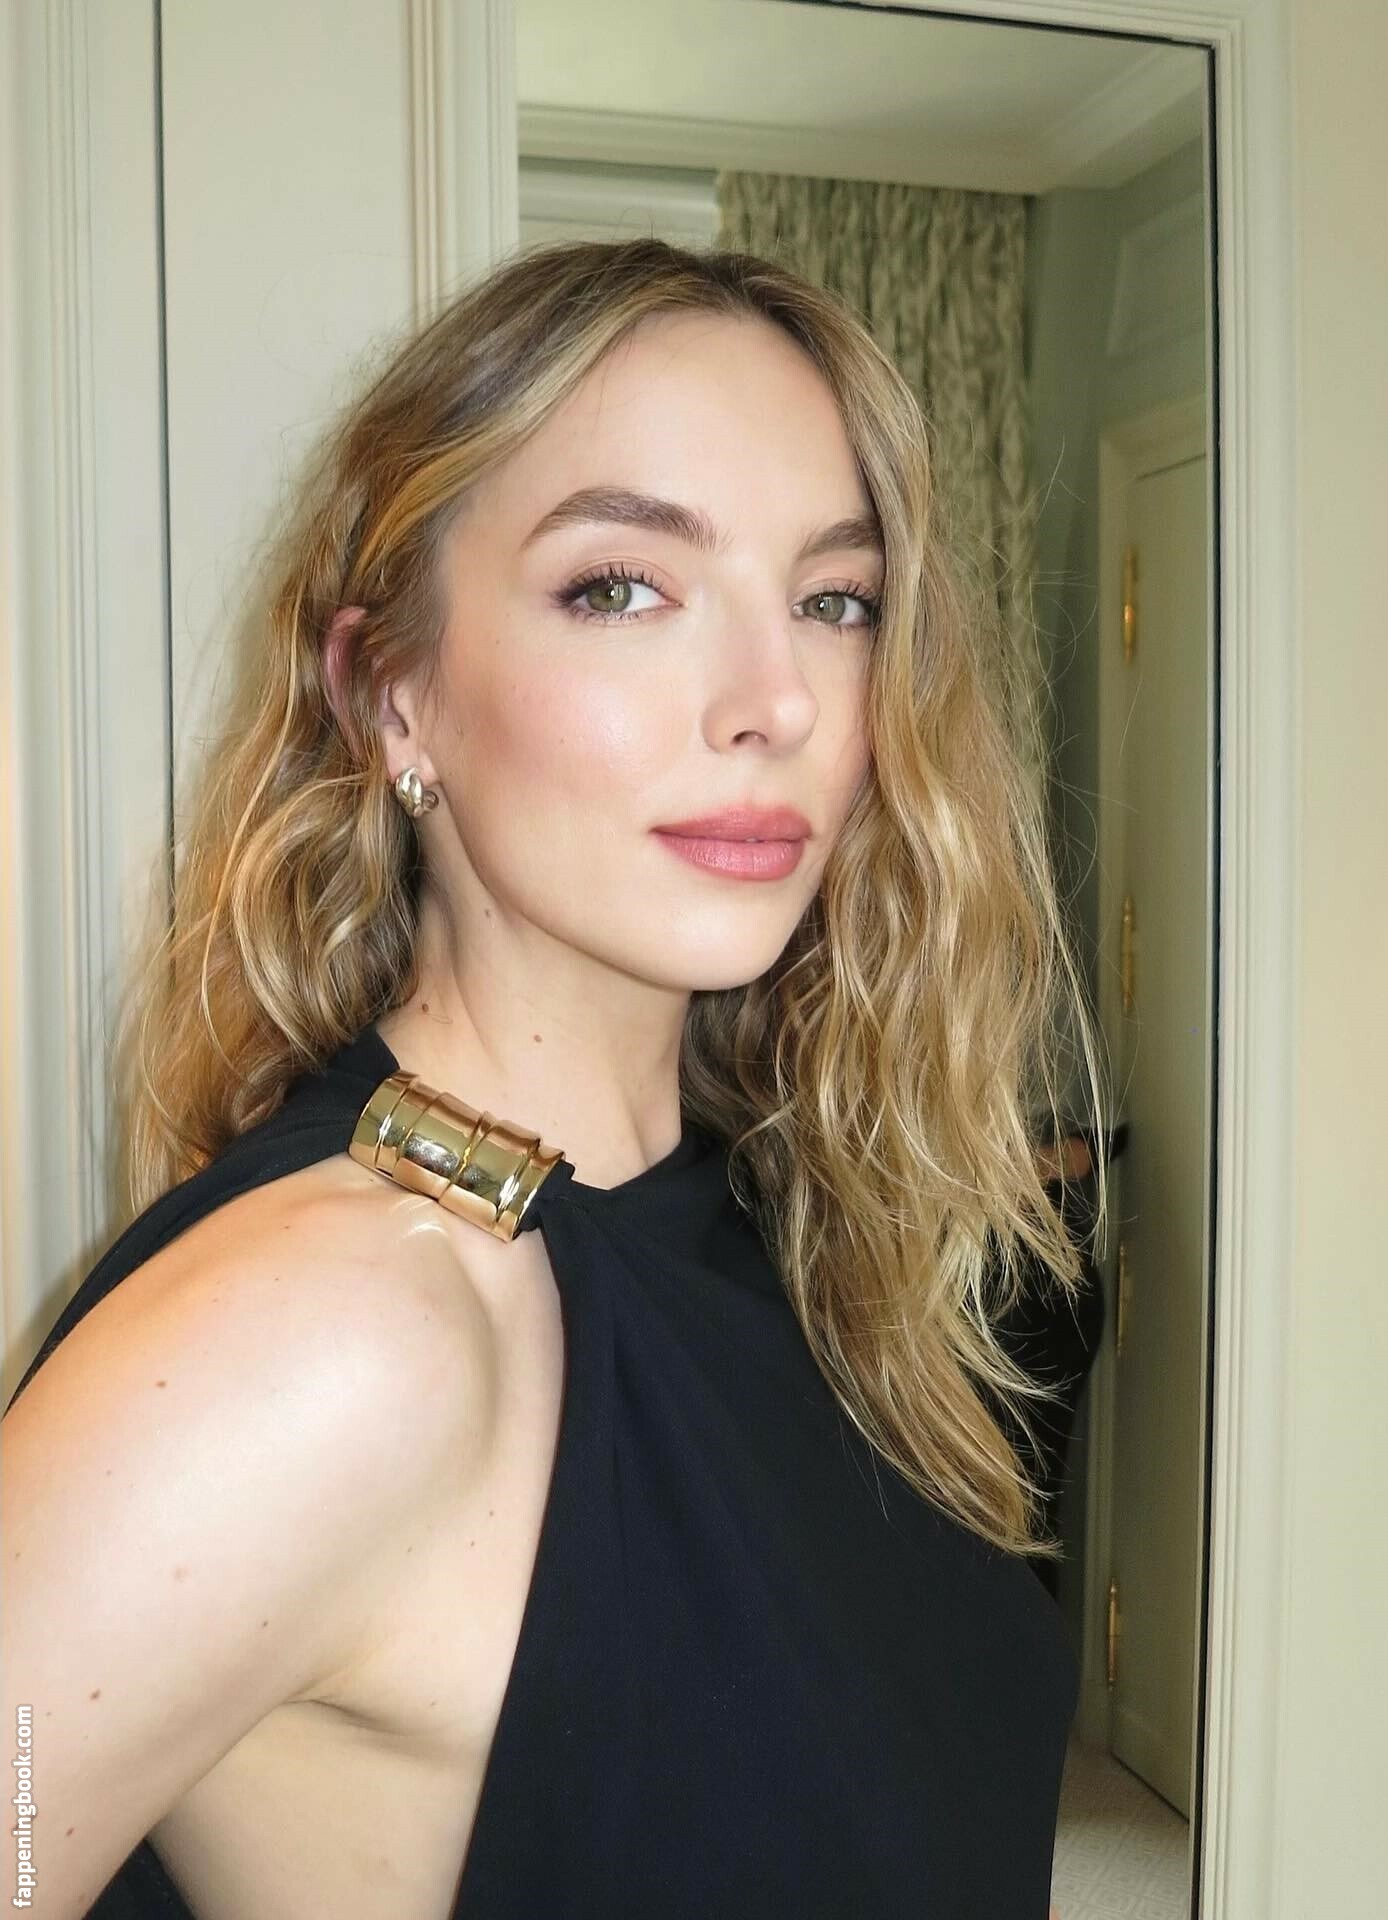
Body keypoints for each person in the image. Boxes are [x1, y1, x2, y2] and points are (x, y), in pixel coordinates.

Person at [2, 237, 1108, 1918]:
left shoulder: (766, 1212)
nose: (778, 702)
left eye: (836, 601)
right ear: (392, 693)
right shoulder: (339, 1338)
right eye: (622, 588)